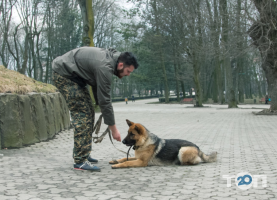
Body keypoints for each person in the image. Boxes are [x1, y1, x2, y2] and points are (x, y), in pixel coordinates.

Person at [52, 47, 139, 171]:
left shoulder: (111, 60)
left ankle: (84, 153)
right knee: (83, 115)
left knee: (89, 112)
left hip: (74, 77)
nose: (128, 75)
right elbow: (105, 100)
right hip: (65, 75)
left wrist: (101, 107)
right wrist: (114, 130)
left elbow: (98, 88)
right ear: (120, 65)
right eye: (128, 71)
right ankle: (80, 161)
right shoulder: (105, 67)